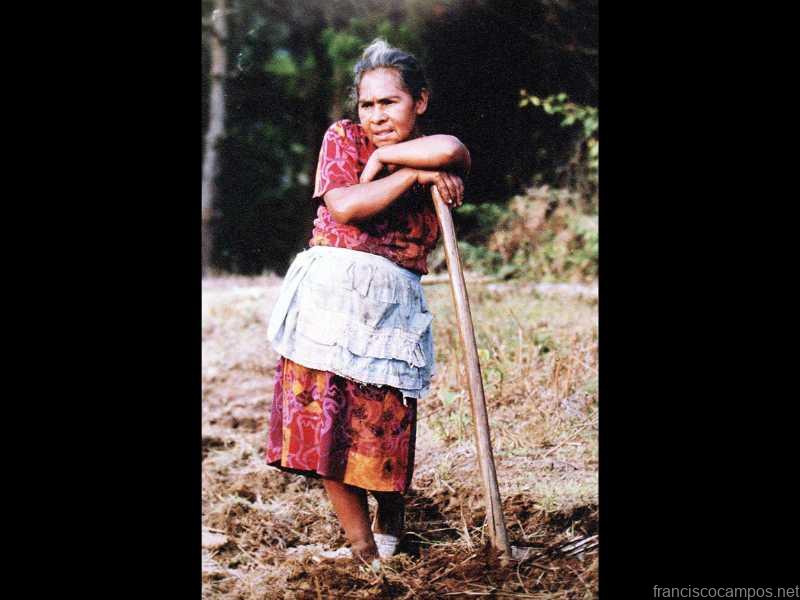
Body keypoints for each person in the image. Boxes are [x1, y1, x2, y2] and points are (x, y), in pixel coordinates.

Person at [265, 38, 471, 564]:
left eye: (389, 102)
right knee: (327, 427)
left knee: (384, 428)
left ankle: (390, 529)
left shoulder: (429, 148)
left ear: (419, 101)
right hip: (328, 301)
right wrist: (411, 174)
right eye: (367, 104)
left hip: (391, 308)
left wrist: (387, 158)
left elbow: (453, 150)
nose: (376, 116)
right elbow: (348, 206)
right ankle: (363, 553)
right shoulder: (343, 138)